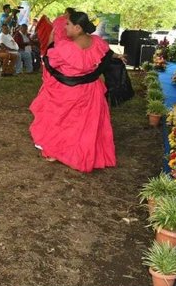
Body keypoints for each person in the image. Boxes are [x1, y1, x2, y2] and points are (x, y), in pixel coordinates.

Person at [29, 11, 118, 173]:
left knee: (63, 122)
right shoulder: (97, 42)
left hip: (70, 93)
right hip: (92, 92)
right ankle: (85, 153)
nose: (65, 26)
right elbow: (107, 55)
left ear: (77, 28)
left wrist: (49, 44)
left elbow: (50, 62)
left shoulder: (66, 48)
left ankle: (58, 151)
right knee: (86, 126)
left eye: (68, 24)